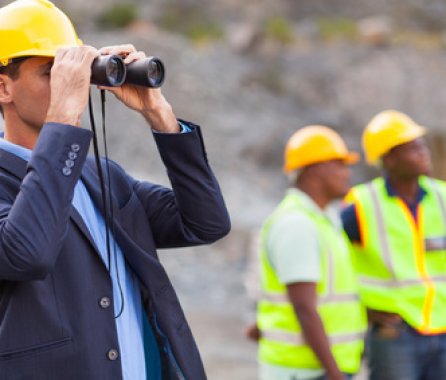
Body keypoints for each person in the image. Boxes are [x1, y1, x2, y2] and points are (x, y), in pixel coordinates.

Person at [0, 0, 230, 379]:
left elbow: (206, 223)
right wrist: (64, 120)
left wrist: (159, 115)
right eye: (50, 73)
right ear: (4, 88)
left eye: (72, 72)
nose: (69, 84)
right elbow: (27, 254)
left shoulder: (102, 176)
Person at [342, 110, 446, 380]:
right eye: (412, 149)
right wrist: (361, 309)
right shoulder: (363, 205)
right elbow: (332, 263)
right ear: (389, 158)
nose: (424, 153)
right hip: (395, 335)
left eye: (421, 146)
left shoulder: (442, 197)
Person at [257, 125, 367, 380]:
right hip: (307, 372)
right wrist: (335, 374)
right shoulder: (297, 224)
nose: (347, 174)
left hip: (321, 368)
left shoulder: (322, 220)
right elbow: (304, 307)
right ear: (316, 169)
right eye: (339, 164)